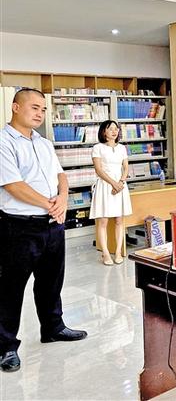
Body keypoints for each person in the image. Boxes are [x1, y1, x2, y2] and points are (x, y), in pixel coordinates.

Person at [0, 88, 88, 373]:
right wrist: (51, 205)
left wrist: (63, 198)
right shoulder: (3, 141)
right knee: (10, 288)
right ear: (15, 107)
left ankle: (53, 328)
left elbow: (60, 175)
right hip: (19, 227)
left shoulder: (44, 142)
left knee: (51, 281)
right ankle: (5, 346)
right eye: (34, 107)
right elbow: (13, 185)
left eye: (43, 109)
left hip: (52, 224)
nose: (39, 114)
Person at [90, 120, 133, 266]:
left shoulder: (122, 148)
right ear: (104, 132)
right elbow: (99, 170)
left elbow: (126, 168)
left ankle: (118, 252)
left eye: (116, 129)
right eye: (110, 129)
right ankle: (106, 253)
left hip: (120, 185)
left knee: (119, 220)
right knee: (103, 221)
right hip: (105, 185)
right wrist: (113, 183)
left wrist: (120, 182)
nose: (114, 131)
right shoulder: (98, 148)